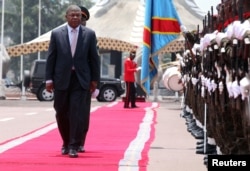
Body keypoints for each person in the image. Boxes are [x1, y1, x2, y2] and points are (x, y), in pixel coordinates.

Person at [45, 5, 100, 158]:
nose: (76, 17)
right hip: (61, 79)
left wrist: (95, 79)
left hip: (80, 80)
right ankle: (66, 142)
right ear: (66, 17)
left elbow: (94, 59)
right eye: (72, 15)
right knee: (61, 112)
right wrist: (49, 79)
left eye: (78, 15)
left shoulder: (89, 34)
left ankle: (74, 145)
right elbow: (51, 57)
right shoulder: (56, 34)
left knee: (76, 112)